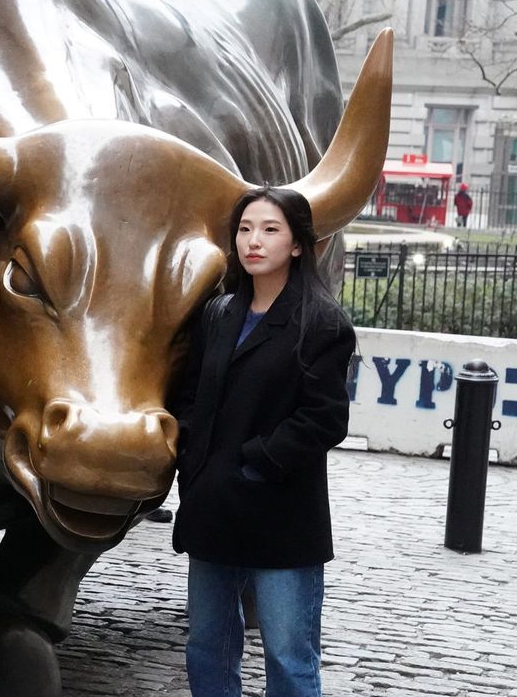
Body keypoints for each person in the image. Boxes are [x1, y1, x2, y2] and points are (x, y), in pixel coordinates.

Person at [170, 186, 356, 697]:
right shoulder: (218, 314)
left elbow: (325, 418)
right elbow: (189, 398)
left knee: (289, 658)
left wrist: (256, 463)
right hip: (212, 508)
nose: (254, 241)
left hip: (280, 515)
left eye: (271, 230)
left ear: (298, 245)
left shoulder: (322, 322)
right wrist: (194, 460)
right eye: (246, 229)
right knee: (207, 645)